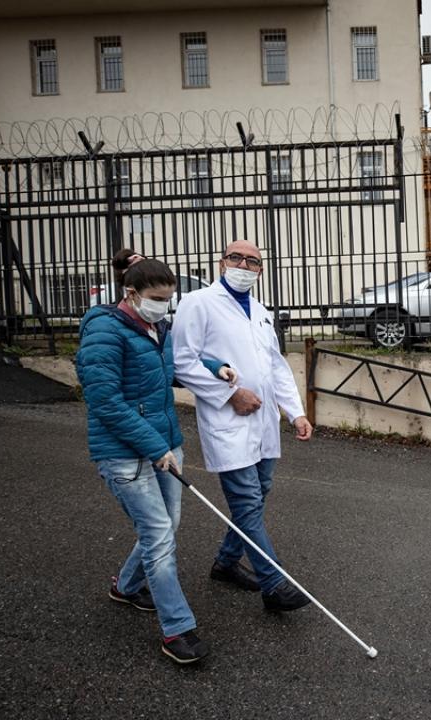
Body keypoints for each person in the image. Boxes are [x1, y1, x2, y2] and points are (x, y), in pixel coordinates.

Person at [75, 249, 236, 664]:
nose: (165, 307)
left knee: (168, 525)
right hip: (126, 455)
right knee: (160, 537)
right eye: (158, 298)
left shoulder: (156, 327)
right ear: (130, 293)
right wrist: (155, 447)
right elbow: (105, 402)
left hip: (163, 444)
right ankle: (176, 630)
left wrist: (215, 366)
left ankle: (126, 587)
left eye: (169, 299)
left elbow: (165, 369)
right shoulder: (104, 333)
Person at [172, 239, 314, 613]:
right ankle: (275, 584)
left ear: (260, 270)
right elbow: (182, 361)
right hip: (228, 419)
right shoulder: (197, 303)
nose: (244, 265)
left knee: (259, 492)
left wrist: (295, 412)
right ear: (221, 262)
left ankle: (225, 562)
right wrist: (229, 394)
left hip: (265, 422)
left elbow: (276, 366)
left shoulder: (262, 311)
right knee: (247, 501)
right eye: (236, 257)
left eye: (253, 261)